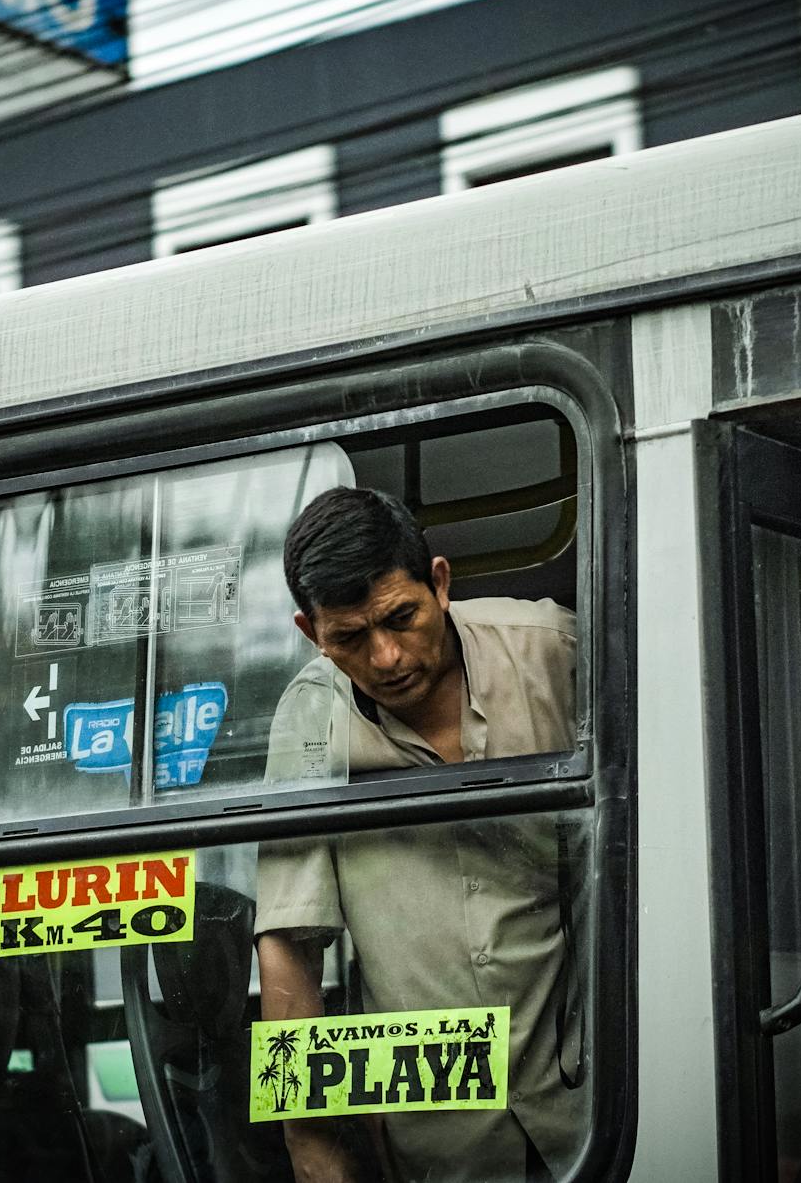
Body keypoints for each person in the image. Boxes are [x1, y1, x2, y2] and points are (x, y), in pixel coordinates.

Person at [255, 487, 582, 1183]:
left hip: (598, 1100)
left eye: (401, 618)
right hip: (441, 1136)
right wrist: (307, 1140)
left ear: (439, 582)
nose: (385, 657)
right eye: (348, 638)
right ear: (311, 633)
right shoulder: (311, 718)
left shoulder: (554, 653)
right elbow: (287, 935)